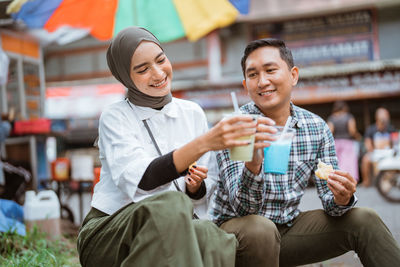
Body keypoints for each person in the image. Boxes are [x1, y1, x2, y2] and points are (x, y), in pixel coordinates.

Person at [76, 26, 259, 267]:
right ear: (125, 77)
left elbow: (206, 183)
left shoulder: (191, 112)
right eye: (143, 69)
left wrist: (196, 188)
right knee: (173, 205)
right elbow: (143, 179)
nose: (158, 73)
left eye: (161, 60)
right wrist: (205, 142)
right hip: (111, 231)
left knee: (207, 231)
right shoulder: (115, 117)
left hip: (178, 222)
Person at [210, 38, 400, 267]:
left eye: (270, 70)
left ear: (293, 75)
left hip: (287, 231)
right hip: (235, 238)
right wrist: (252, 165)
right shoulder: (233, 126)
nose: (262, 81)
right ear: (245, 85)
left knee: (364, 219)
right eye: (253, 75)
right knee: (260, 229)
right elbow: (243, 209)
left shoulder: (316, 127)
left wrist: (342, 197)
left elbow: (331, 203)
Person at [361, 107, 396, 187]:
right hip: (375, 153)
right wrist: (372, 152)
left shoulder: (391, 128)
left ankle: (390, 181)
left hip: (388, 153)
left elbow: (394, 142)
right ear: (377, 117)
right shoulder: (371, 129)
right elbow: (367, 143)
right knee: (365, 159)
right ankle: (366, 181)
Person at [327, 100, 361, 182]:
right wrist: (358, 136)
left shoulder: (332, 118)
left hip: (336, 143)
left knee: (337, 163)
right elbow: (352, 130)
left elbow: (329, 131)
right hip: (347, 143)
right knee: (348, 163)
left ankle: (338, 180)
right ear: (345, 107)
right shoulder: (348, 117)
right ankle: (349, 181)